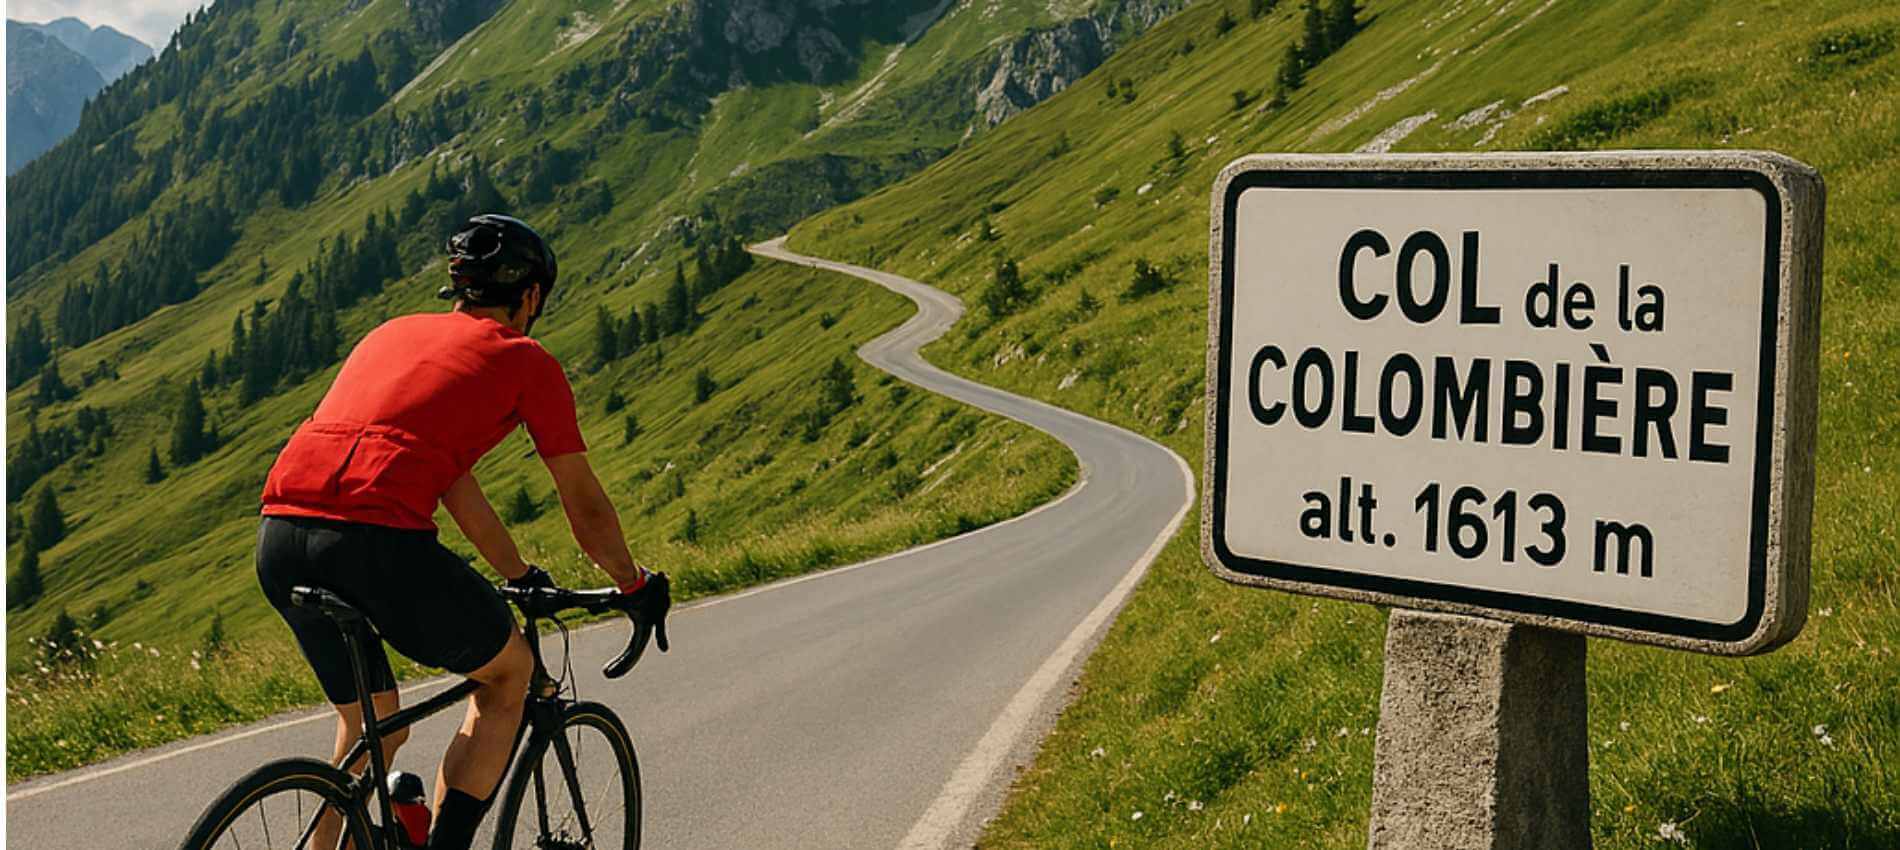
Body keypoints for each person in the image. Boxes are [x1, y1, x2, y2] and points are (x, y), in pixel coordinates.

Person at [254, 214, 656, 849]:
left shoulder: (392, 334)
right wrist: (631, 583)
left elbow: (451, 481)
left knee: (373, 724)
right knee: (507, 675)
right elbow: (584, 502)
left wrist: (518, 575)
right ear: (531, 297)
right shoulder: (524, 360)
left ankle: (323, 845)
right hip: (374, 543)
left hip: (279, 534)